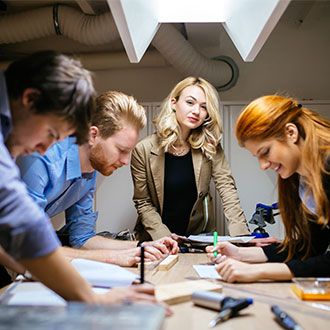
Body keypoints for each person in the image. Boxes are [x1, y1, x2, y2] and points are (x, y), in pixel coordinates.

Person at [0, 50, 160, 306]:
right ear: (30, 99)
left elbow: (23, 236)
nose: (44, 148)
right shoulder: (36, 157)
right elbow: (26, 233)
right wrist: (97, 298)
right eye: (51, 132)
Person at [17, 91, 178, 268]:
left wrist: (141, 246)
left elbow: (83, 238)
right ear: (93, 135)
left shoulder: (90, 169)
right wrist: (113, 258)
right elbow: (32, 246)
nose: (125, 161)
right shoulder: (41, 156)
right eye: (121, 150)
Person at [206, 95, 330, 282]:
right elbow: (310, 248)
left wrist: (259, 272)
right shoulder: (302, 180)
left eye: (265, 152)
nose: (263, 165)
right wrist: (241, 254)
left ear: (291, 133)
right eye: (257, 157)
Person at [131, 77, 250, 242]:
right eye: (190, 102)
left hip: (199, 238)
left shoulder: (210, 145)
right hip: (156, 239)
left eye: (204, 107)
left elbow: (227, 188)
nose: (196, 111)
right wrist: (165, 238)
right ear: (174, 103)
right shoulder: (143, 149)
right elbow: (143, 202)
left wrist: (242, 236)